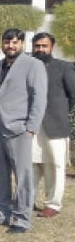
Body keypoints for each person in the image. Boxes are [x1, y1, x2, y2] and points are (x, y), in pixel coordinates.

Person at [0, 29, 47, 234]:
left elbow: (39, 98)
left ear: (22, 44)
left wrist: (31, 128)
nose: (10, 46)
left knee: (23, 177)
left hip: (19, 129)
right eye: (7, 42)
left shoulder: (34, 65)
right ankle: (1, 214)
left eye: (15, 42)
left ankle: (22, 219)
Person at [31, 32, 75, 218]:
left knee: (55, 165)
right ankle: (27, 199)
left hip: (56, 124)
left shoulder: (63, 67)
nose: (40, 49)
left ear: (52, 47)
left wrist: (60, 112)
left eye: (44, 46)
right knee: (31, 164)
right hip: (32, 124)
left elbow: (73, 95)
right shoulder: (27, 66)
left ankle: (53, 204)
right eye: (37, 46)